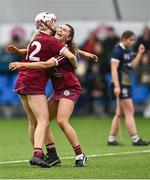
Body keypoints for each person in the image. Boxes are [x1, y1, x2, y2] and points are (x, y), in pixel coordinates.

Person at [9, 24, 98, 167]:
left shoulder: (64, 53)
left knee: (62, 121)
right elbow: (35, 51)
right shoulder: (54, 46)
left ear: (68, 37)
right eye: (60, 28)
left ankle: (80, 155)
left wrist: (21, 64)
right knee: (42, 121)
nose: (60, 30)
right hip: (58, 90)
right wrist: (19, 51)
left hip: (70, 88)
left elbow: (44, 65)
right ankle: (53, 155)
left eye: (65, 30)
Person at [107, 30, 149, 146]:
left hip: (126, 83)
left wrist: (140, 53)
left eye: (134, 40)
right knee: (130, 111)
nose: (133, 42)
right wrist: (116, 86)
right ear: (124, 39)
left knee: (119, 113)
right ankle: (135, 138)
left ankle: (111, 139)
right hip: (121, 85)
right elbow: (113, 69)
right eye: (131, 40)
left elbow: (131, 66)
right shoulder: (117, 51)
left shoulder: (128, 51)